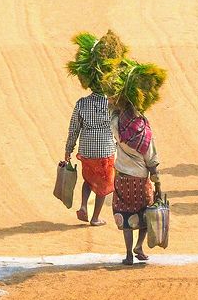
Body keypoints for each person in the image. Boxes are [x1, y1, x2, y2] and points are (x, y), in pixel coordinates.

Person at [111, 94, 161, 265]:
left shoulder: (118, 126)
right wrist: (158, 185)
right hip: (141, 180)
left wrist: (118, 101)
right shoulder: (145, 132)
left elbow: (113, 113)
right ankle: (139, 246)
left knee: (126, 216)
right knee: (146, 213)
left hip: (122, 179)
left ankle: (128, 255)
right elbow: (152, 161)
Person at [65, 89, 115, 226]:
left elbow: (74, 128)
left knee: (88, 178)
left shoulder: (82, 103)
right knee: (103, 184)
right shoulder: (112, 103)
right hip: (105, 149)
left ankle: (83, 206)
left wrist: (68, 149)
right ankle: (95, 218)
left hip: (87, 148)